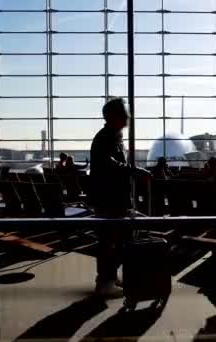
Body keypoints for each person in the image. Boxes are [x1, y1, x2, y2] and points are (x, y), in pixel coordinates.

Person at [89, 97, 132, 297]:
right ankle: (105, 282)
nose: (128, 116)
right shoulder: (106, 138)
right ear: (113, 116)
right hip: (109, 199)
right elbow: (109, 164)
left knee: (114, 241)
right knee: (108, 241)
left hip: (113, 198)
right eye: (125, 113)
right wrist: (132, 170)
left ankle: (109, 278)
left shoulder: (113, 136)